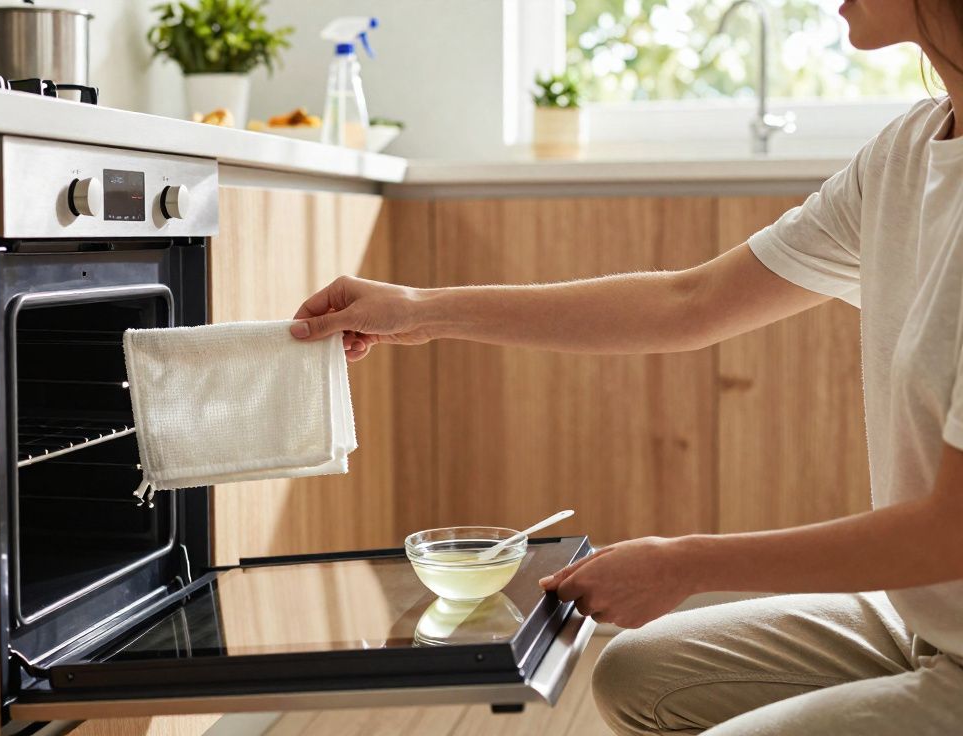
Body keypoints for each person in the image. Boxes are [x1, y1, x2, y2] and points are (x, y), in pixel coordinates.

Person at [289, 1, 963, 732]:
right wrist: (420, 308)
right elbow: (690, 301)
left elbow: (949, 532)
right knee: (637, 673)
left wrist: (687, 562)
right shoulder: (908, 152)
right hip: (923, 615)